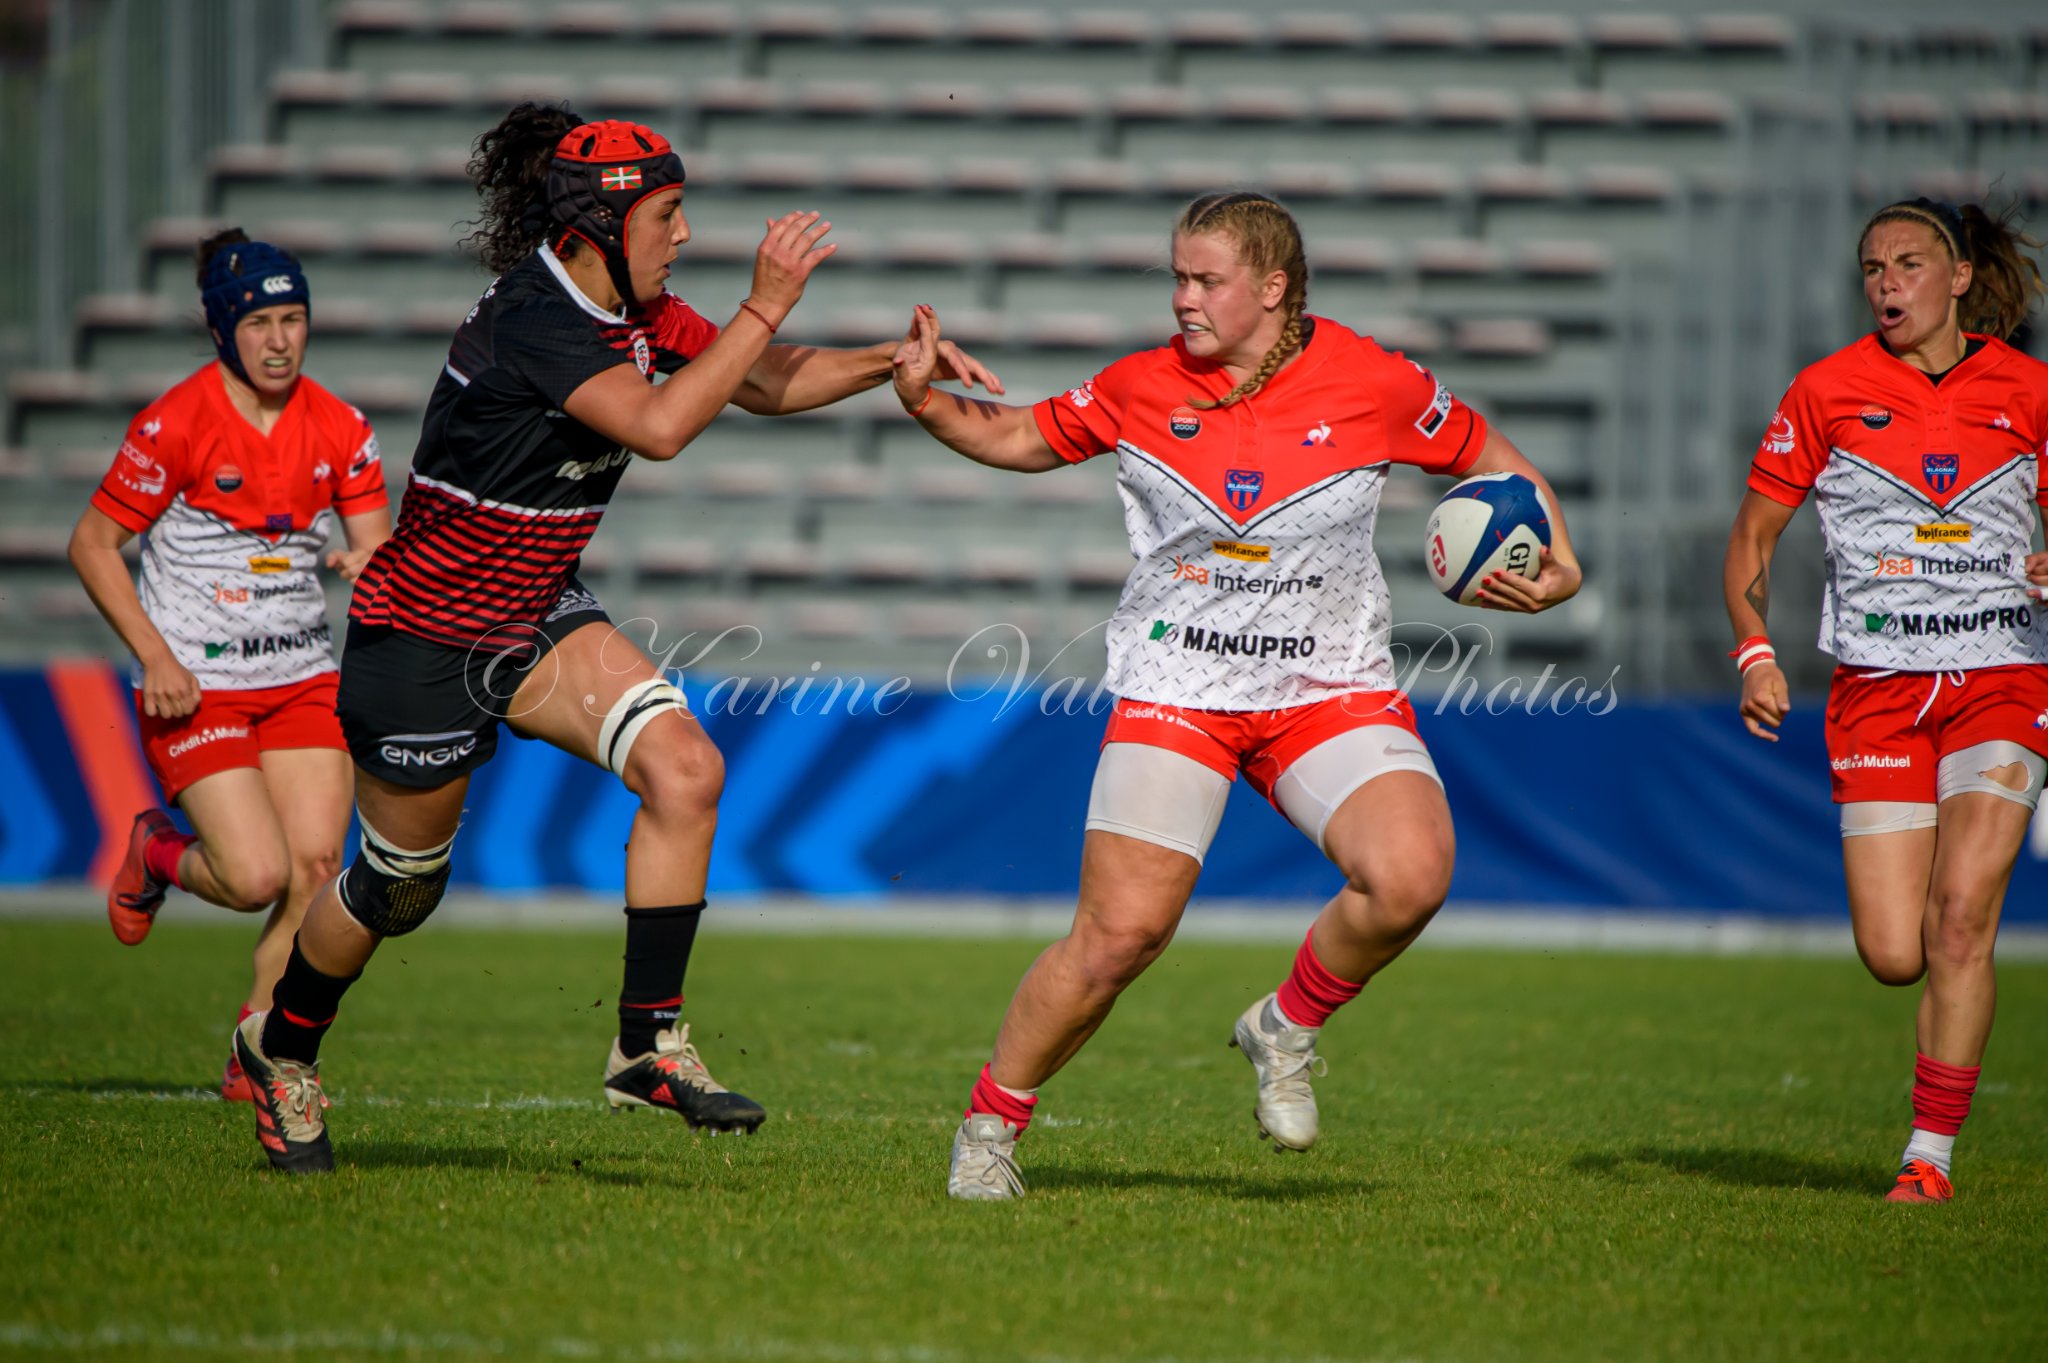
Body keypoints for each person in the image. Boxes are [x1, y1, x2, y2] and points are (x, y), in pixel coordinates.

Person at [229, 103, 1003, 1173]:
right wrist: (763, 303)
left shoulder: (635, 306)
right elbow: (663, 426)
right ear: (599, 227)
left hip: (536, 609)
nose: (682, 234)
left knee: (685, 769)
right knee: (396, 890)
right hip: (425, 634)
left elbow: (760, 381)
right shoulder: (534, 318)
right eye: (670, 214)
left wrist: (891, 362)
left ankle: (646, 1041)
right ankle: (282, 1044)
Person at [888, 190, 1584, 1199]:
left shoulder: (1374, 380)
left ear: (1271, 287)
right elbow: (1011, 439)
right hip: (1179, 685)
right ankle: (989, 1127)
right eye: (1174, 274)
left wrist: (1559, 567)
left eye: (1203, 279)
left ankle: (1283, 1024)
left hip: (1324, 686)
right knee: (1118, 937)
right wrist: (919, 398)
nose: (1181, 297)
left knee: (1410, 875)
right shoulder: (1135, 386)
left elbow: (1497, 466)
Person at [1723, 197, 2048, 1203]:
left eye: (1907, 263)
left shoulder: (2027, 390)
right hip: (1874, 691)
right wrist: (1754, 654)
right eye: (1871, 268)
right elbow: (1749, 540)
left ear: (1956, 279)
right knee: (1891, 950)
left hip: (2000, 677)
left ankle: (1927, 1157)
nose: (1886, 283)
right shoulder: (1825, 391)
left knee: (1960, 920)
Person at [68, 229, 392, 1102]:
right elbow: (93, 544)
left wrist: (373, 564)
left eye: (294, 319)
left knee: (319, 870)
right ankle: (156, 851)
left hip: (300, 678)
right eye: (260, 323)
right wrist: (154, 653)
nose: (281, 340)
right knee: (255, 878)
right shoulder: (175, 423)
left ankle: (261, 1055)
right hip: (197, 684)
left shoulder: (341, 425)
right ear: (223, 332)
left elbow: (377, 543)